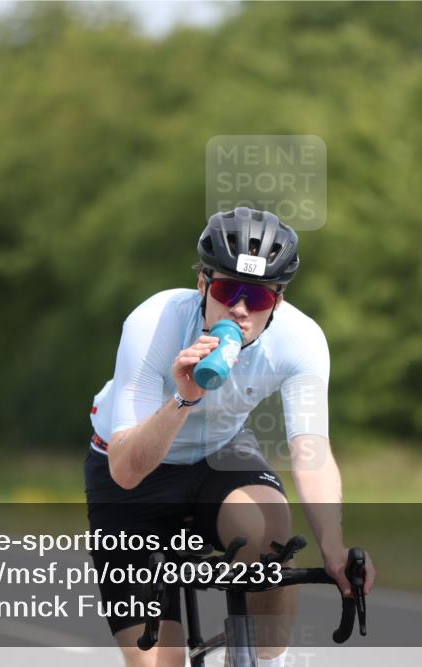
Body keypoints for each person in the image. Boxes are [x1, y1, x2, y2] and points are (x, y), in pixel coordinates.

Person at [85, 207, 375, 667]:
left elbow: (311, 450)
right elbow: (125, 470)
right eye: (225, 290)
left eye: (256, 298)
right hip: (132, 469)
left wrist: (334, 549)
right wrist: (185, 397)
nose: (239, 309)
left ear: (277, 302)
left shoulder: (301, 341)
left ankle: (263, 661)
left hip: (220, 455)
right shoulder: (154, 320)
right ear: (202, 284)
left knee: (272, 535)